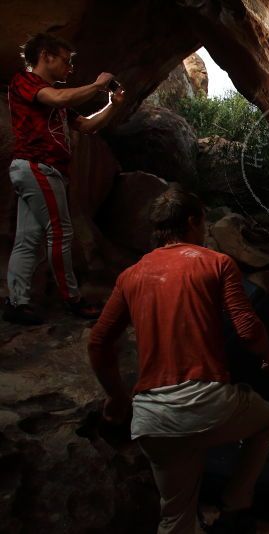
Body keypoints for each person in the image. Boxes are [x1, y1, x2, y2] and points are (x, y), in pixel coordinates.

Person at [88, 185, 269, 534]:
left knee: (175, 516)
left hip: (152, 419)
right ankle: (235, 505)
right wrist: (267, 355)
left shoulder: (130, 276)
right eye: (203, 221)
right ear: (192, 221)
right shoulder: (215, 263)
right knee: (267, 418)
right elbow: (248, 329)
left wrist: (117, 397)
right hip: (208, 405)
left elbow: (99, 343)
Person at [4, 32, 125, 325]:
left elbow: (85, 125)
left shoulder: (56, 99)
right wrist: (97, 85)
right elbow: (57, 97)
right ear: (45, 55)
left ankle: (17, 303)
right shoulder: (26, 82)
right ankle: (73, 300)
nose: (70, 68)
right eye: (66, 61)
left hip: (39, 169)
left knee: (28, 238)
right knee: (60, 233)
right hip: (38, 166)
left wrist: (114, 105)